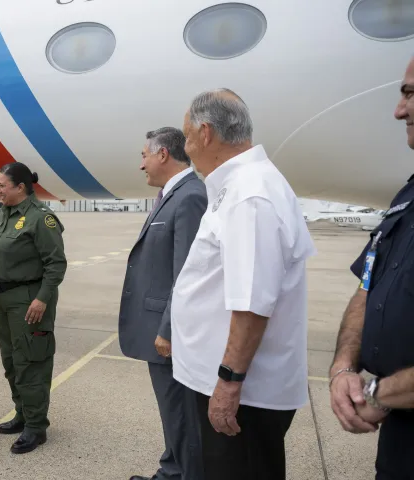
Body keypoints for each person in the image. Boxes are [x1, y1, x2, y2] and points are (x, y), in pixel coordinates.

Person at [168, 88, 316, 480]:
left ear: (205, 133)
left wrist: (228, 385)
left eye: (186, 137)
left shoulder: (250, 194)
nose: (186, 148)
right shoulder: (240, 186)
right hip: (226, 383)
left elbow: (252, 304)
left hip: (242, 395)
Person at [329, 56, 414, 480]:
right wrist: (345, 366)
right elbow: (368, 284)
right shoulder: (408, 195)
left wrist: (379, 392)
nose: (400, 110)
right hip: (399, 432)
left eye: (411, 93)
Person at [119, 127, 207, 480]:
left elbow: (187, 272)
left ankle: (186, 475)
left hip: (171, 332)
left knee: (183, 415)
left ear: (163, 155)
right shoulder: (174, 194)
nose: (141, 165)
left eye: (144, 155)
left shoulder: (190, 196)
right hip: (162, 328)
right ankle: (172, 471)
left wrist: (169, 329)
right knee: (173, 413)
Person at [0, 162, 67, 454]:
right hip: (2, 300)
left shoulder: (41, 219)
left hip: (29, 301)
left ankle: (36, 427)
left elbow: (56, 264)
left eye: (3, 185)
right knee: (12, 362)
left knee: (31, 363)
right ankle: (23, 414)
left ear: (21, 188)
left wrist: (42, 299)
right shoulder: (2, 214)